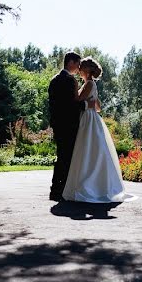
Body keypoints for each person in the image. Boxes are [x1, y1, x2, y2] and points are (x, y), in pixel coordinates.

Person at [61, 56, 132, 203]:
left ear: (86, 70)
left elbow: (78, 100)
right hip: (92, 117)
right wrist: (91, 102)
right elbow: (98, 107)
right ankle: (97, 184)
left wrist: (76, 92)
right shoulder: (91, 84)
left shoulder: (88, 84)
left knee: (87, 150)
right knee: (93, 150)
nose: (79, 69)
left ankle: (90, 186)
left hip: (88, 119)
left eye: (81, 67)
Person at [48, 52, 87, 201]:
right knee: (67, 157)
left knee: (62, 156)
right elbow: (70, 104)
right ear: (70, 62)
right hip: (69, 125)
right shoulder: (69, 81)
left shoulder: (54, 80)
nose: (78, 67)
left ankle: (56, 189)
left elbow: (53, 105)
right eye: (77, 64)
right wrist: (86, 105)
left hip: (58, 124)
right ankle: (60, 190)